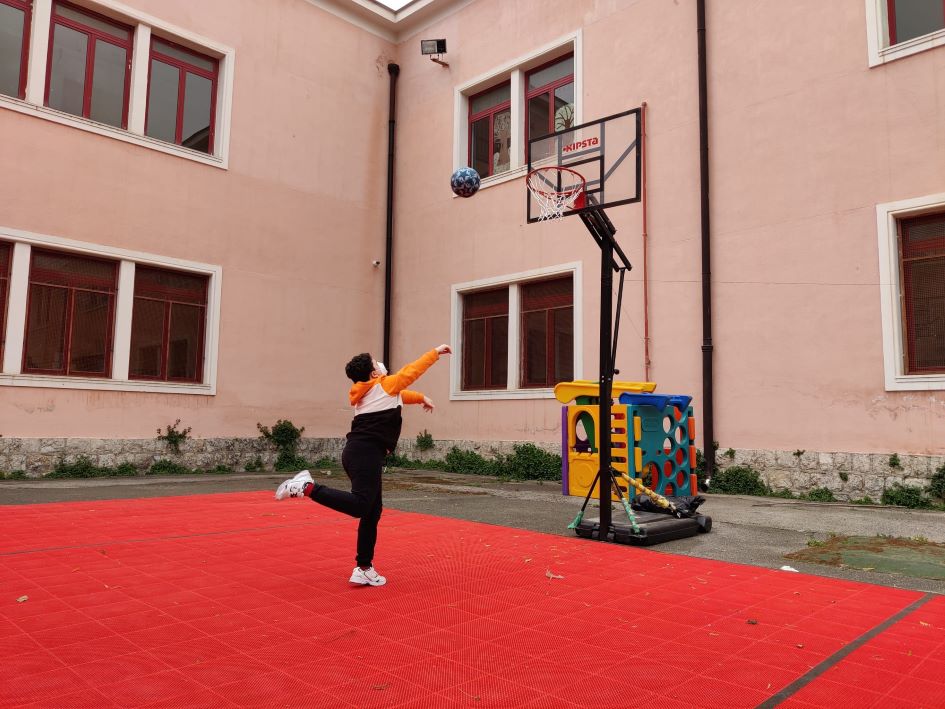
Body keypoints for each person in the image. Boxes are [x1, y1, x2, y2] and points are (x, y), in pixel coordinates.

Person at [275, 344, 451, 586]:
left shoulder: (373, 391)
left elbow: (401, 395)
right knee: (360, 506)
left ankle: (364, 568)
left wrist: (421, 398)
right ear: (374, 373)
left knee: (372, 511)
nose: (380, 364)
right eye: (376, 362)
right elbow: (411, 372)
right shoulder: (384, 386)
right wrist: (435, 352)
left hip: (359, 453)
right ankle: (307, 487)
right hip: (365, 454)